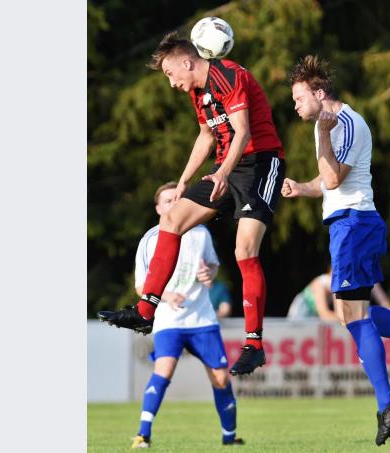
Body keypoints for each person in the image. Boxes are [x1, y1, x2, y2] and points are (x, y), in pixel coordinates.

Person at [281, 55, 390, 446]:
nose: (295, 104)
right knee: (352, 314)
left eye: (298, 96)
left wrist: (323, 142)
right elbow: (326, 182)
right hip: (351, 223)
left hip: (353, 224)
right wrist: (301, 188)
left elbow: (333, 175)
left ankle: (388, 395)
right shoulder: (326, 126)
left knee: (354, 317)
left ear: (319, 93)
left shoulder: (341, 124)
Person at [98, 31, 286, 376]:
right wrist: (185, 180)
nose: (171, 83)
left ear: (187, 62)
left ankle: (254, 344)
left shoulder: (229, 75)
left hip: (259, 164)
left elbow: (242, 132)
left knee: (245, 250)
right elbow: (206, 135)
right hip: (224, 168)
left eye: (171, 73)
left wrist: (224, 173)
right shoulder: (199, 92)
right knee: (171, 220)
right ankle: (145, 310)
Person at [127, 182, 243, 449]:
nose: (173, 204)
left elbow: (212, 267)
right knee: (164, 370)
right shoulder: (150, 239)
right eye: (167, 201)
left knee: (221, 378)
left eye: (177, 199)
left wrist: (209, 274)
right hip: (170, 320)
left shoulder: (200, 232)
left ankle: (230, 437)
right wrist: (166, 296)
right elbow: (140, 286)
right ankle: (143, 434)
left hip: (202, 319)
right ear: (158, 208)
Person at [287, 269, 390, 320]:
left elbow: (383, 300)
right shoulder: (322, 283)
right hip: (301, 315)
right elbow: (325, 315)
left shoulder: (364, 275)